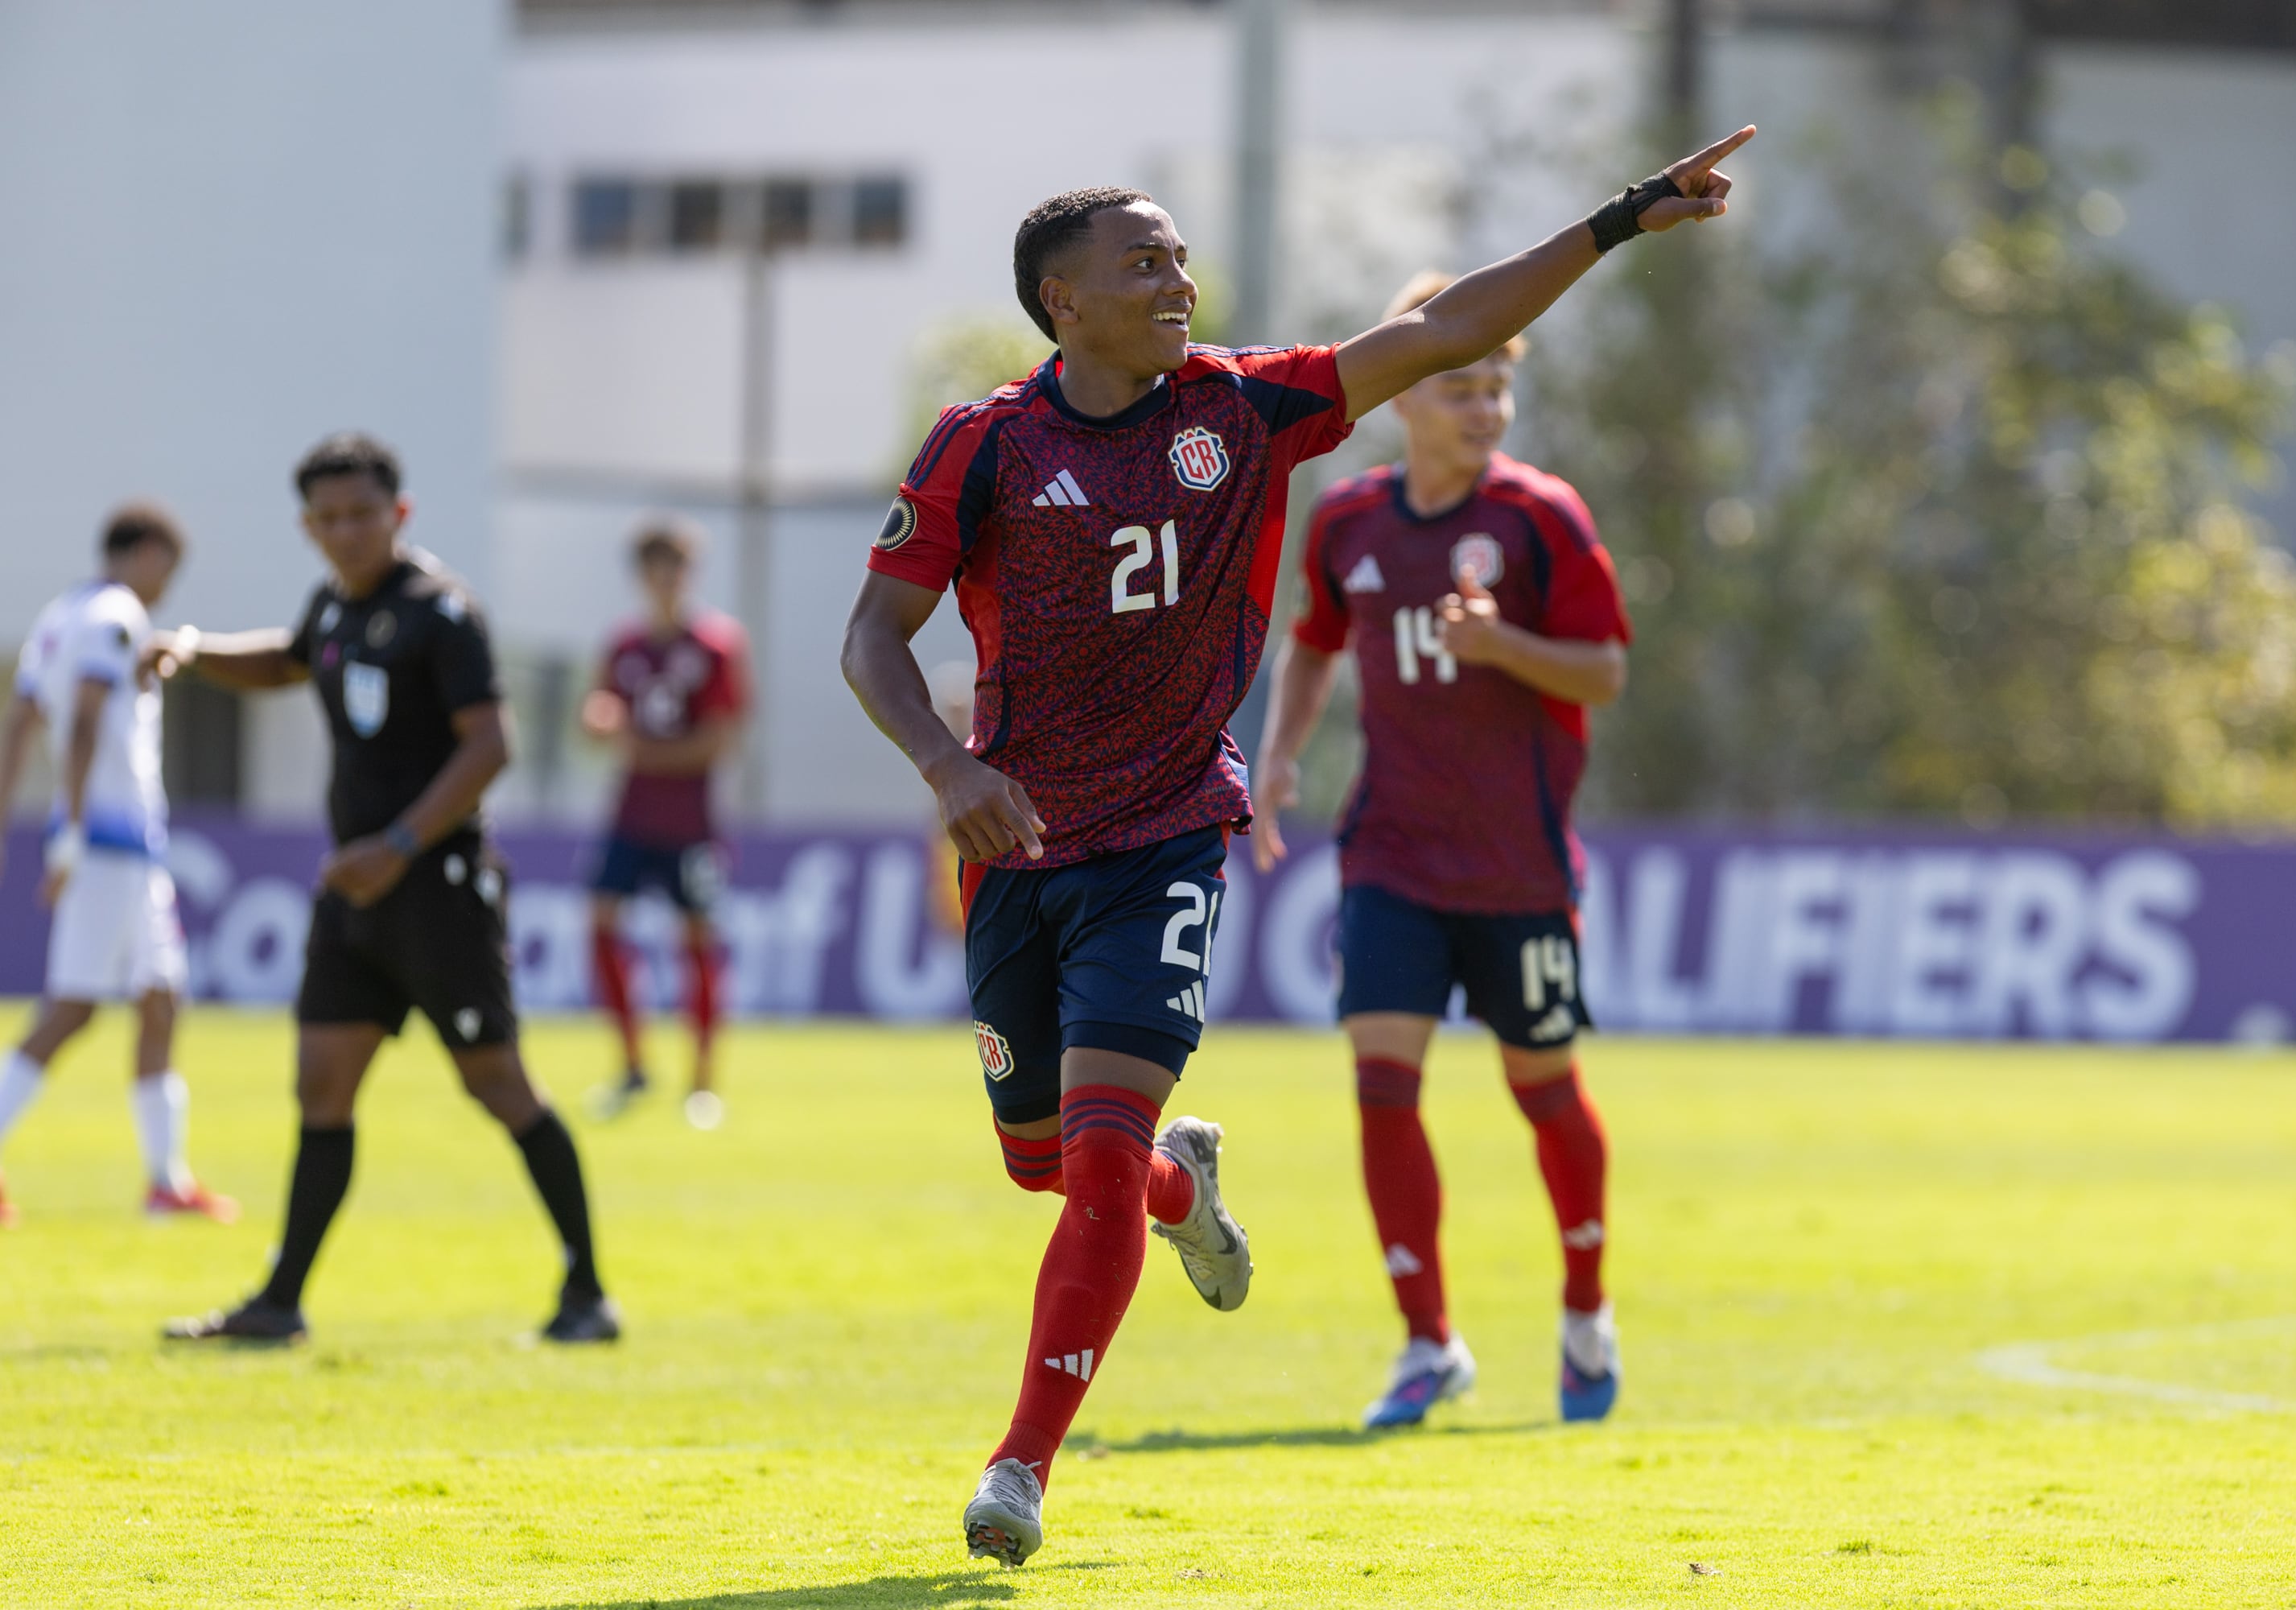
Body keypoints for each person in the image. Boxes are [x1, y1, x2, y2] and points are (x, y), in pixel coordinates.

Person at [839, 125, 1750, 1565]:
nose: (1178, 278)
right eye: (1143, 262)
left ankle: (1020, 1467)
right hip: (1015, 844)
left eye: (1181, 255)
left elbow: (1446, 324)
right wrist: (947, 767)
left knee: (1088, 1164)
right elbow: (871, 640)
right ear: (1062, 299)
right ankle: (1182, 1194)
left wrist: (1625, 219)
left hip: (1168, 836)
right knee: (1045, 1166)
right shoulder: (985, 445)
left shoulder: (1247, 410)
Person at [1252, 270, 1632, 1430]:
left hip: (1517, 865)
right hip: (1391, 856)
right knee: (1381, 1090)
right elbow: (1312, 643)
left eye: (1497, 390)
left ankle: (1583, 1309)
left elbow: (1605, 672)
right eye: (1459, 387)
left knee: (1546, 1093)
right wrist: (1279, 757)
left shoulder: (1539, 517)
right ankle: (1428, 1343)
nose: (1483, 410)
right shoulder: (1350, 521)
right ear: (1407, 397)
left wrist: (1507, 646)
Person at [155, 433, 616, 1344]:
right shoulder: (333, 603)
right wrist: (194, 649)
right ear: (309, 526)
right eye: (328, 518)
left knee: (498, 1084)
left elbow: (491, 744)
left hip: (435, 885)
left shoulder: (440, 613)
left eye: (362, 513)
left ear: (398, 514)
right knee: (321, 1082)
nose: (346, 531)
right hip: (356, 890)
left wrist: (398, 843)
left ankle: (588, 1294)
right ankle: (280, 1302)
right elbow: (289, 658)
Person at [0, 505, 237, 1227]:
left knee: (161, 999)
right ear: (144, 553)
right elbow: (87, 718)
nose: (167, 585)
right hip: (108, 842)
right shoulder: (117, 614)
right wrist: (72, 827)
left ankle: (167, 1180)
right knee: (70, 1010)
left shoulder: (58, 616)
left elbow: (23, 721)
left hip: (126, 846)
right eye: (167, 567)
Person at [581, 518, 750, 1130]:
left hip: (692, 822)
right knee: (599, 921)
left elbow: (721, 740)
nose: (665, 580)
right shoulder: (622, 646)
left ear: (689, 573)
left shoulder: (718, 645)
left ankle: (702, 1084)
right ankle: (631, 1066)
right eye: (654, 568)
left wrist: (635, 746)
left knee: (698, 940)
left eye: (674, 567)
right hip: (630, 814)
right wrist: (598, 721)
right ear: (641, 576)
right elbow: (597, 712)